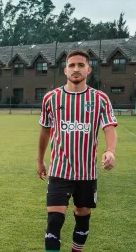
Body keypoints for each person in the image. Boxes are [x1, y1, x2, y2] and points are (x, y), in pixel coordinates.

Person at [37, 49, 117, 252]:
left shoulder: (100, 99)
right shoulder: (51, 98)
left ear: (89, 69)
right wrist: (39, 160)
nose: (76, 69)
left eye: (81, 65)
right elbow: (45, 132)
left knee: (82, 221)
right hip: (59, 171)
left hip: (86, 174)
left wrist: (110, 150)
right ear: (65, 70)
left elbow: (108, 127)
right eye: (72, 65)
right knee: (54, 221)